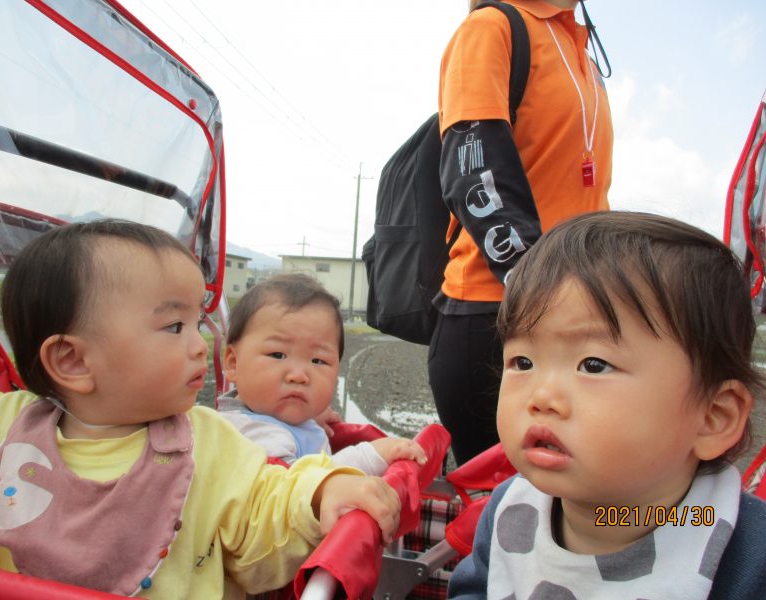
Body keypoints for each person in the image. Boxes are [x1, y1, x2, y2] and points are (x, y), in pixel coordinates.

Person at [0, 220, 403, 599]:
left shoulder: (210, 442)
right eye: (175, 326)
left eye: (199, 322)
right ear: (73, 361)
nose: (201, 345)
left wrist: (318, 493)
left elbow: (267, 503)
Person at [449, 211, 766, 599]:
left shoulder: (746, 552)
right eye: (523, 362)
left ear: (713, 417)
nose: (542, 398)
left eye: (593, 365)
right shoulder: (512, 510)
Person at [429, 0, 613, 464]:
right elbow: (474, 169)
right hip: (494, 315)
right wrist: (542, 288)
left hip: (574, 310)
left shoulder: (584, 56)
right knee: (506, 515)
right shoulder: (493, 27)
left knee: (573, 508)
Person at [220, 272, 427, 474]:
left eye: (318, 361)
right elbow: (297, 490)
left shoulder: (275, 417)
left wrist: (307, 417)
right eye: (278, 355)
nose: (299, 375)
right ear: (233, 363)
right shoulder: (250, 434)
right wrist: (369, 456)